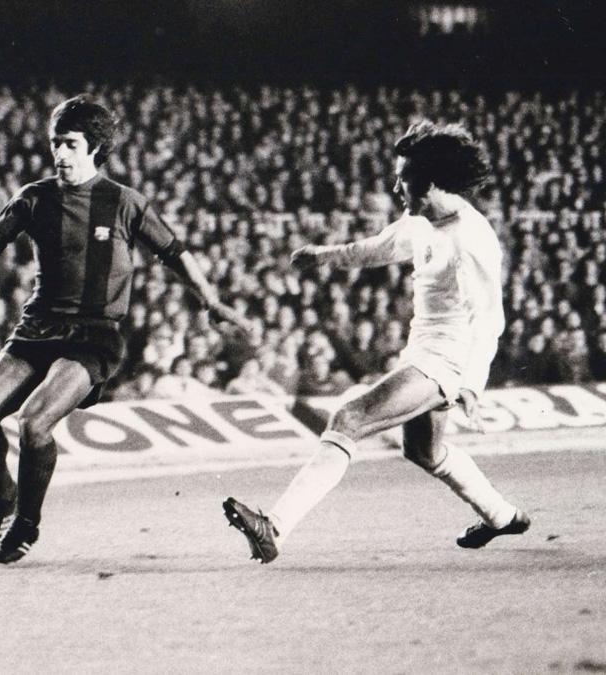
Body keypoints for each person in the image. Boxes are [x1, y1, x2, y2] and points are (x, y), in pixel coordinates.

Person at [0, 95, 249, 564]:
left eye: (70, 144)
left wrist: (209, 299)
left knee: (34, 423)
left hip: (93, 336)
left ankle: (27, 523)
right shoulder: (35, 196)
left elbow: (174, 251)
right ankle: (4, 498)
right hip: (37, 329)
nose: (60, 154)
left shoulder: (124, 202)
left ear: (94, 147)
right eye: (56, 143)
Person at [224, 121, 529, 563]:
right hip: (422, 353)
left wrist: (471, 383)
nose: (395, 186)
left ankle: (274, 528)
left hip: (445, 363)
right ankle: (503, 516)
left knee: (348, 419)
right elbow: (376, 249)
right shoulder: (421, 221)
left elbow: (488, 318)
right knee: (424, 451)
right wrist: (322, 257)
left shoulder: (470, 238)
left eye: (403, 177)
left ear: (431, 183)